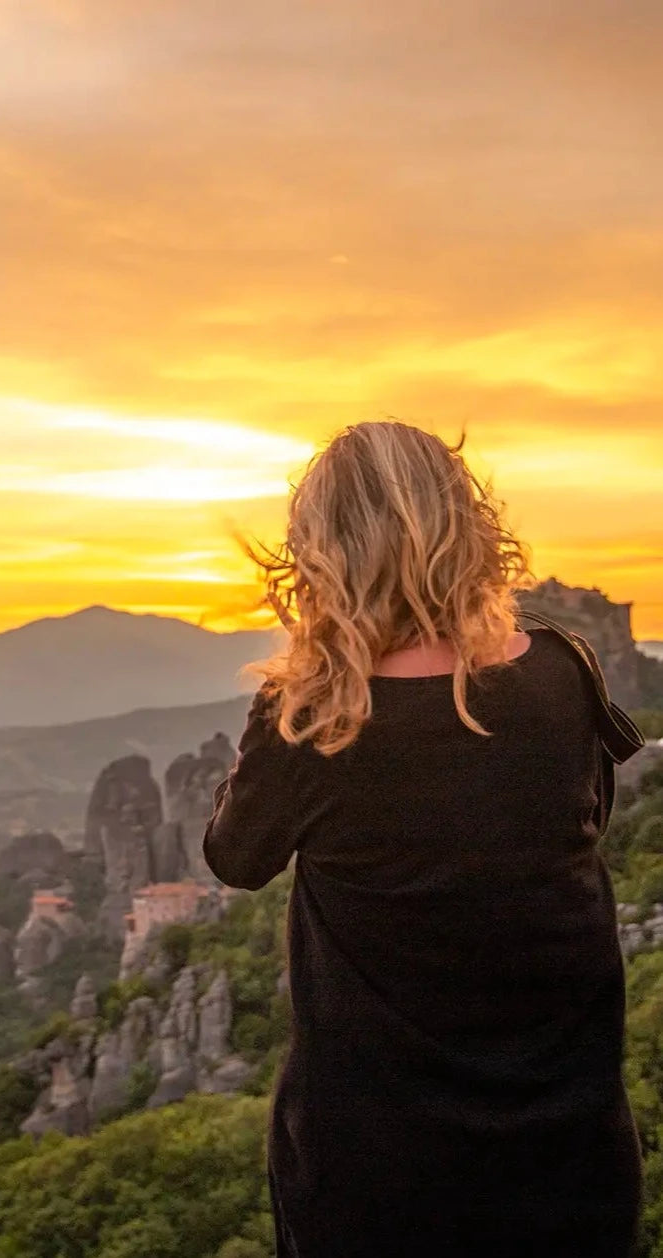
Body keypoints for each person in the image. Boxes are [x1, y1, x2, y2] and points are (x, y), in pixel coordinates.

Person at [203, 421, 642, 1258]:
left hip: (375, 1166)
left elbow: (235, 856)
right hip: (568, 1143)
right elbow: (585, 816)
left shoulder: (313, 719)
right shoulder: (560, 669)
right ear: (467, 526)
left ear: (319, 550)